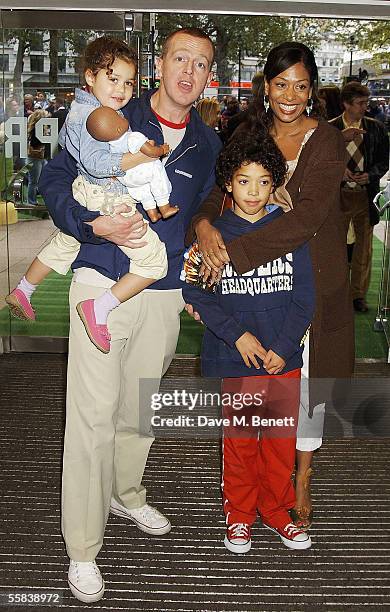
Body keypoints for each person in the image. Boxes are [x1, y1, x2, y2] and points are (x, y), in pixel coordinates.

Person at [37, 28, 221, 603]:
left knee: (137, 407)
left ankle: (127, 492)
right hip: (100, 277)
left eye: (201, 63)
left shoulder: (206, 141)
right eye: (179, 58)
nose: (189, 71)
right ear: (159, 65)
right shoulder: (110, 110)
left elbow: (205, 203)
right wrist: (91, 225)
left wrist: (207, 230)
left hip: (163, 287)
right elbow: (54, 180)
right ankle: (83, 548)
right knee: (90, 418)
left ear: (208, 75)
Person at [186, 41, 354, 532]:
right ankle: (244, 500)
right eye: (281, 84)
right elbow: (217, 190)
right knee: (252, 397)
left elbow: (307, 219)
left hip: (309, 281)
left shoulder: (325, 141)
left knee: (302, 391)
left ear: (312, 91)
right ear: (266, 86)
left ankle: (299, 480)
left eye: (301, 86)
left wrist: (230, 258)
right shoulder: (248, 130)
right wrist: (203, 227)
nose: (290, 95)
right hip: (254, 291)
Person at [182, 132, 315, 552]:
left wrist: (283, 346)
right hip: (235, 359)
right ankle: (239, 514)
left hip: (282, 358)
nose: (253, 191)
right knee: (240, 443)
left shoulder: (288, 231)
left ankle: (277, 511)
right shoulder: (214, 235)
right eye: (244, 181)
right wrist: (237, 335)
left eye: (262, 181)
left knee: (278, 443)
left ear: (274, 183)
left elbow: (305, 295)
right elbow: (195, 291)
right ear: (228, 183)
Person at [6, 38, 170, 355]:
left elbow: (77, 151)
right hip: (104, 194)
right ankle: (100, 308)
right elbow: (96, 165)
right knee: (154, 261)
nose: (121, 89)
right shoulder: (92, 115)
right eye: (113, 78)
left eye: (128, 82)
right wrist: (141, 157)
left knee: (67, 241)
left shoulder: (86, 108)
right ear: (90, 76)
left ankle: (25, 288)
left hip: (86, 192)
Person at [330, 82, 389, 313]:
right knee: (336, 248)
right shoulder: (331, 129)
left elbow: (384, 160)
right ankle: (336, 293)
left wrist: (370, 175)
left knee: (363, 249)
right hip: (338, 196)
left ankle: (357, 296)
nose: (365, 107)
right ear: (346, 104)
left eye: (366, 102)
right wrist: (339, 171)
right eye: (360, 103)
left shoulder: (376, 128)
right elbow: (321, 162)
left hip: (365, 195)